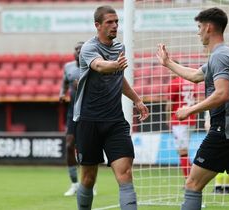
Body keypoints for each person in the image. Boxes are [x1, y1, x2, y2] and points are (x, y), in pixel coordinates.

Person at [156, 7, 229, 210]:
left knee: (192, 185)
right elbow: (195, 75)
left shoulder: (219, 56)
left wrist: (190, 110)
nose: (198, 32)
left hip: (223, 131)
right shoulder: (225, 54)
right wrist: (168, 63)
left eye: (199, 27)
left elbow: (221, 94)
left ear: (208, 28)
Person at [72, 5, 149, 210]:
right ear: (97, 25)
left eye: (116, 22)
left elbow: (118, 78)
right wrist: (114, 65)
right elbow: (99, 66)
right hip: (88, 120)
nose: (115, 26)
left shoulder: (119, 48)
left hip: (115, 121)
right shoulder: (89, 48)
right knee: (88, 178)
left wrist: (137, 99)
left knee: (125, 174)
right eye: (110, 22)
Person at [59, 41, 84, 197]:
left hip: (87, 113)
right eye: (76, 49)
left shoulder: (92, 66)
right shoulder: (68, 67)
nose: (78, 52)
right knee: (69, 145)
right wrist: (62, 94)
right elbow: (64, 84)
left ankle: (89, 183)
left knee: (85, 150)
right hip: (72, 113)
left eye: (81, 49)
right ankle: (75, 184)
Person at [166, 71, 197, 179]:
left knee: (182, 151)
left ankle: (189, 179)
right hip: (191, 120)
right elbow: (195, 101)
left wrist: (168, 118)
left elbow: (169, 104)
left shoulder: (174, 83)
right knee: (184, 150)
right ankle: (189, 178)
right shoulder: (191, 83)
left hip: (179, 120)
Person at [204, 111, 229, 194]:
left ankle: (218, 186)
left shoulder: (213, 100)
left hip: (217, 132)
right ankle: (228, 186)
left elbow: (208, 122)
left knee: (217, 158)